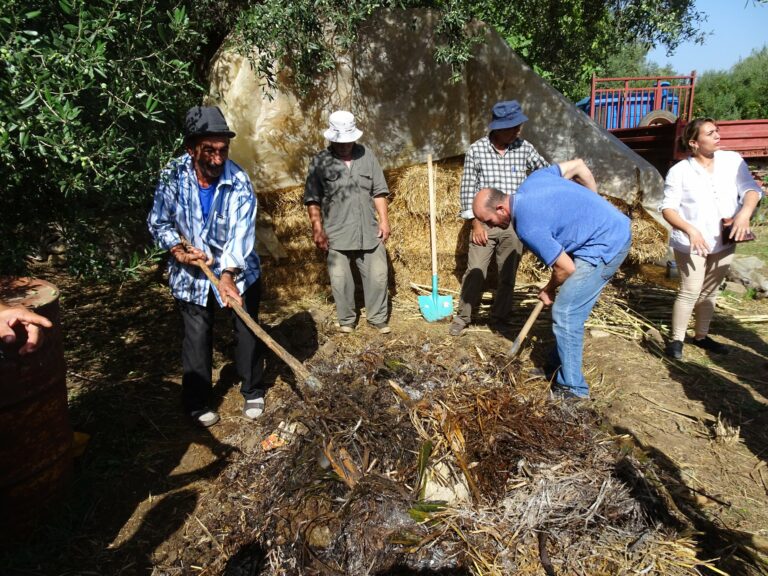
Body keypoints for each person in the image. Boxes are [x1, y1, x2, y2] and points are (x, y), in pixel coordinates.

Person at [473, 160, 631, 399]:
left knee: (566, 312)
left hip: (607, 244)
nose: (489, 226)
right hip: (604, 231)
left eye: (488, 221)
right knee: (567, 308)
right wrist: (594, 201)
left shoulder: (527, 225)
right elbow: (579, 165)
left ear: (501, 210)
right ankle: (558, 369)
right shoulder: (533, 181)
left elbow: (565, 268)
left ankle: (574, 390)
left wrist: (549, 289)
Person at [148, 106, 265, 428]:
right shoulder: (173, 176)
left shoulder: (239, 181)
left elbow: (242, 236)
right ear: (191, 149)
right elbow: (159, 221)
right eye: (208, 151)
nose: (217, 159)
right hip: (190, 276)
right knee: (196, 337)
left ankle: (253, 389)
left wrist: (227, 276)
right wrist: (177, 249)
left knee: (246, 331)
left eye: (222, 150)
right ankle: (197, 401)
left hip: (238, 271)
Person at [661, 118, 763, 359]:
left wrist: (744, 214)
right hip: (692, 242)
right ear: (694, 143)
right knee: (691, 290)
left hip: (725, 239)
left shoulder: (732, 161)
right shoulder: (680, 171)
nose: (718, 135)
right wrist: (691, 230)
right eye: (711, 133)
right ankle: (676, 340)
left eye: (717, 131)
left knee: (710, 291)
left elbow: (751, 189)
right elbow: (668, 209)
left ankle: (701, 336)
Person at [450, 100, 549, 337]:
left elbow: (544, 172)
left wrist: (532, 202)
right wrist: (475, 223)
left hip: (514, 223)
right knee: (476, 270)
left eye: (518, 126)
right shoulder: (477, 149)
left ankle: (500, 318)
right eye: (512, 127)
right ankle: (464, 316)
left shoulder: (524, 148)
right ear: (497, 127)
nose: (517, 131)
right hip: (484, 222)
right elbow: (467, 189)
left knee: (508, 273)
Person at [304, 110, 391, 334]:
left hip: (369, 231)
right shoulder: (320, 161)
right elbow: (312, 199)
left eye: (348, 141)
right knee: (340, 280)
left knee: (379, 275)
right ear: (331, 138)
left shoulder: (367, 156)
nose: (344, 146)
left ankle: (377, 318)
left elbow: (379, 192)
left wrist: (384, 221)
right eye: (339, 142)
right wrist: (317, 229)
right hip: (337, 232)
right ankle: (347, 320)